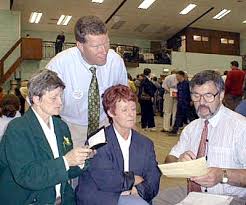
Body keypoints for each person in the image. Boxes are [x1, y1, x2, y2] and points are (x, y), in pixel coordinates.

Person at [0, 69, 95, 204]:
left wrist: (81, 160)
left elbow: (65, 171)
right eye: (53, 98)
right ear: (36, 99)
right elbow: (27, 176)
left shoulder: (61, 126)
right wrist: (66, 161)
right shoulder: (18, 129)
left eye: (60, 96)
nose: (60, 102)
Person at [155, 70, 246, 205]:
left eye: (208, 95)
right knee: (152, 200)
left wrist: (222, 175)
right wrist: (179, 162)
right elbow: (169, 159)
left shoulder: (240, 127)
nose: (201, 102)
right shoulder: (191, 128)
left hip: (230, 197)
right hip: (193, 193)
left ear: (221, 95)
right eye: (196, 95)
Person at [46, 16, 128, 147]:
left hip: (105, 125)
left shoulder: (115, 61)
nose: (104, 51)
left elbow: (124, 98)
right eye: (96, 46)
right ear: (80, 46)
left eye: (106, 43)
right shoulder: (59, 65)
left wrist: (126, 125)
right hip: (71, 127)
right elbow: (38, 105)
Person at [76, 84, 161, 205]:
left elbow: (154, 176)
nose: (131, 114)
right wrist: (133, 180)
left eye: (133, 108)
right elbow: (106, 179)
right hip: (100, 198)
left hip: (135, 195)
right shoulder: (97, 140)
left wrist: (137, 190)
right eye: (124, 110)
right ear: (111, 112)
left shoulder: (146, 143)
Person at [169, 70, 191, 135]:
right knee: (178, 117)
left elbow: (191, 92)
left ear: (182, 76)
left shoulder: (188, 84)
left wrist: (191, 100)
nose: (177, 77)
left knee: (190, 117)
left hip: (187, 103)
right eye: (176, 76)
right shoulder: (178, 84)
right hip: (180, 103)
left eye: (178, 76)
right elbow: (178, 93)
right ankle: (174, 130)